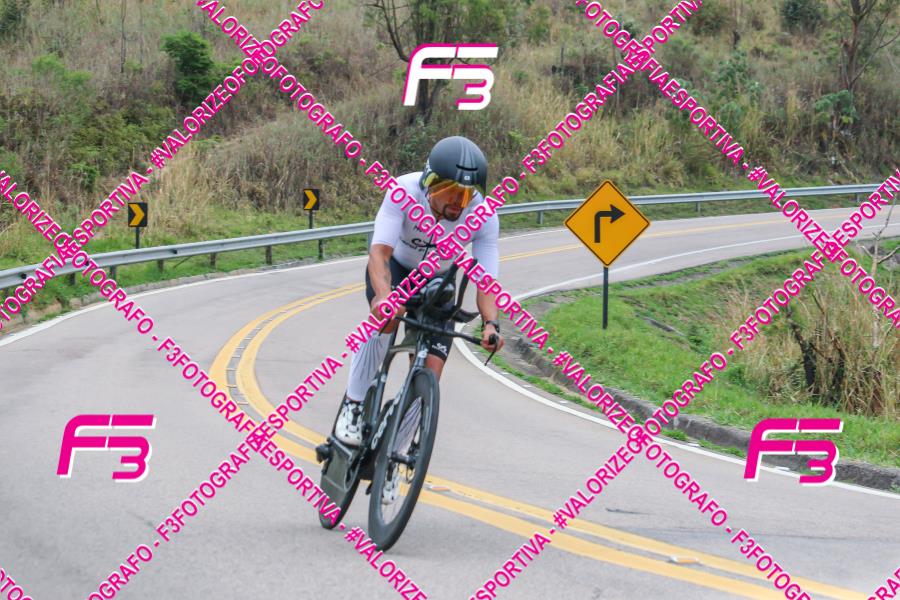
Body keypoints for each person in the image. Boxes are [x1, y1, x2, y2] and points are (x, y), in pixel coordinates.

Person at [335, 136, 505, 448]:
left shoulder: (483, 215)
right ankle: (353, 405)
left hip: (438, 281)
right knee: (387, 318)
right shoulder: (403, 192)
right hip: (397, 269)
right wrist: (384, 296)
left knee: (432, 370)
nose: (458, 201)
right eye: (450, 190)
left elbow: (486, 282)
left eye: (466, 194)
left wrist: (491, 325)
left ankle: (395, 453)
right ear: (430, 182)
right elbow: (380, 253)